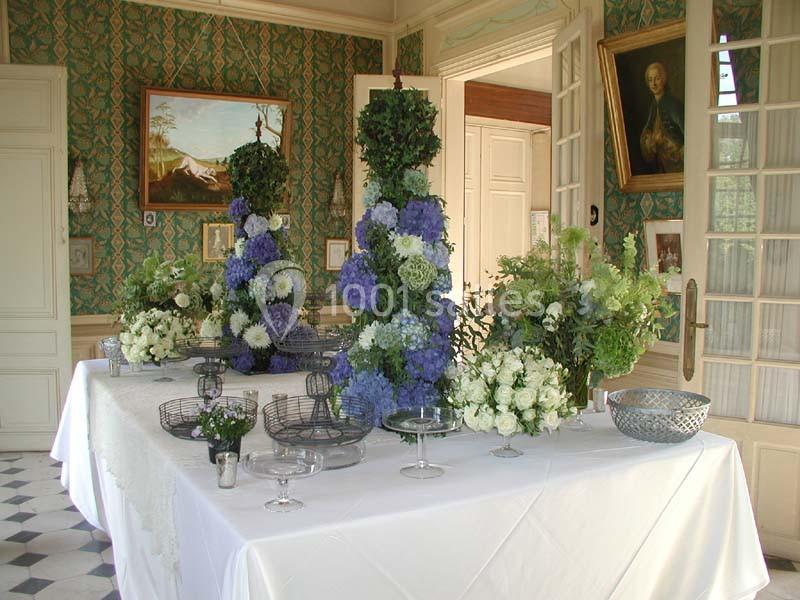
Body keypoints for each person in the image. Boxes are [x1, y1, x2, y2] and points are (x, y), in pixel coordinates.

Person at [640, 62, 684, 173]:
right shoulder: (654, 105)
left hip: (676, 163)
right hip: (662, 163)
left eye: (657, 79)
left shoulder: (672, 103)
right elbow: (648, 130)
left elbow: (687, 134)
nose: (653, 84)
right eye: (650, 80)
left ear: (663, 79)